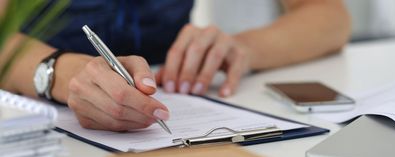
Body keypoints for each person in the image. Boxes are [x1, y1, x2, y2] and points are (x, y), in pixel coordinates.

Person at [0, 0, 350, 131]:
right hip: (40, 125)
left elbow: (330, 16)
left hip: (175, 99)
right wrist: (57, 72)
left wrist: (240, 49)